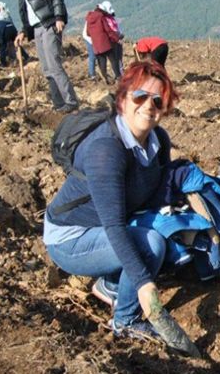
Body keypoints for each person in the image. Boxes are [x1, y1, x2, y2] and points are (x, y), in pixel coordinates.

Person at [43, 61, 199, 357]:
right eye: (140, 96)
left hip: (109, 228)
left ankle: (112, 285)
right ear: (123, 98)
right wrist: (143, 283)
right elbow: (114, 226)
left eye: (158, 100)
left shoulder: (158, 141)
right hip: (71, 238)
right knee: (150, 245)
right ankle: (125, 321)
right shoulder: (107, 149)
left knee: (170, 244)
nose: (148, 106)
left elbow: (156, 191)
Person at [9, 0, 79, 112]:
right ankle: (59, 104)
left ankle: (71, 101)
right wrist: (24, 31)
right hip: (36, 29)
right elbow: (27, 14)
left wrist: (59, 16)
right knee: (47, 68)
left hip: (49, 24)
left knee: (54, 64)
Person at [85, 1, 121, 84]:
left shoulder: (89, 18)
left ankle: (106, 80)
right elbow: (108, 30)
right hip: (105, 43)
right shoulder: (101, 17)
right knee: (113, 60)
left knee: (102, 64)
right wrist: (117, 38)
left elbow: (88, 33)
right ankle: (118, 77)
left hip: (96, 46)